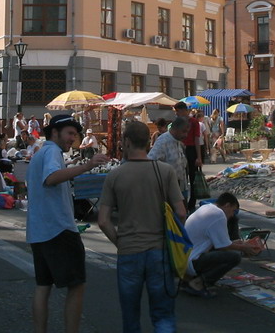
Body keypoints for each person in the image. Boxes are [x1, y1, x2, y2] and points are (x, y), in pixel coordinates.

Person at [98, 121, 186, 333]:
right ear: (148, 142)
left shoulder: (114, 175)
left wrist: (120, 242)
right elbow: (181, 212)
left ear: (126, 142)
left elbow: (103, 220)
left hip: (129, 251)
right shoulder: (165, 171)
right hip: (159, 250)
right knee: (163, 315)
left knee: (131, 317)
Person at [26, 114, 108, 333]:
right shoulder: (52, 151)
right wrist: (87, 166)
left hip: (39, 231)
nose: (73, 138)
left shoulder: (41, 153)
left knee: (43, 287)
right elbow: (51, 178)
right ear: (55, 132)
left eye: (75, 134)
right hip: (58, 229)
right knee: (76, 285)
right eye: (70, 133)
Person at [183, 192, 261, 297]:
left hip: (183, 258)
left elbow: (217, 242)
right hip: (192, 261)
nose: (232, 215)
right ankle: (198, 283)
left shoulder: (206, 208)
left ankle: (189, 279)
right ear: (227, 205)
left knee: (230, 250)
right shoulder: (218, 214)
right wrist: (244, 248)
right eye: (233, 211)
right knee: (234, 257)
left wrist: (235, 243)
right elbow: (223, 246)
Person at [148, 116, 189, 200]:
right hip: (167, 190)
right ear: (175, 129)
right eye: (184, 131)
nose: (186, 135)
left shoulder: (178, 142)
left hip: (181, 187)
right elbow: (151, 161)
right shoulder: (163, 141)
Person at [173, 101, 201, 212]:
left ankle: (192, 202)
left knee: (193, 177)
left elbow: (197, 139)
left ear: (183, 110)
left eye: (177, 111)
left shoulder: (193, 122)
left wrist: (199, 156)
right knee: (181, 176)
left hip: (191, 149)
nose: (176, 114)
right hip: (180, 149)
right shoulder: (177, 122)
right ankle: (182, 200)